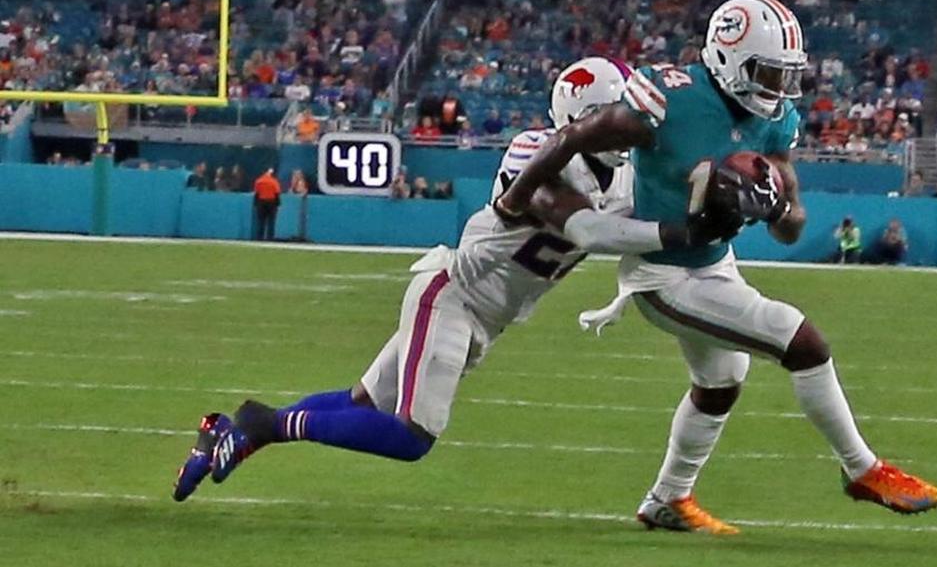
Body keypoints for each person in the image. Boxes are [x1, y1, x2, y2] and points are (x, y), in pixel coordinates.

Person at [171, 57, 740, 503]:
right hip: (454, 295)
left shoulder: (625, 178)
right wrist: (681, 231)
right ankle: (264, 425)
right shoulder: (535, 155)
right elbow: (587, 231)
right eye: (612, 119)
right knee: (412, 436)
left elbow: (646, 212)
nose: (627, 131)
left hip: (485, 317)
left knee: (362, 403)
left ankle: (225, 430)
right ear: (581, 122)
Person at [497, 0, 937, 534]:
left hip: (714, 264)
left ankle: (667, 500)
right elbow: (572, 137)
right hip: (662, 272)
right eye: (768, 73)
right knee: (801, 342)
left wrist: (774, 204)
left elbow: (790, 227)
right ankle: (862, 469)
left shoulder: (774, 118)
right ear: (729, 59)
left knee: (721, 382)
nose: (778, 88)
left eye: (786, 75)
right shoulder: (668, 100)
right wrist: (516, 198)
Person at [252, 168, 281, 241]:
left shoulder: (259, 181)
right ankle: (270, 238)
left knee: (261, 221)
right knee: (271, 222)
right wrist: (278, 204)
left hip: (261, 202)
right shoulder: (274, 181)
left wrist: (255, 204)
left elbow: (256, 194)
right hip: (271, 202)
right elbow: (277, 193)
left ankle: (259, 238)